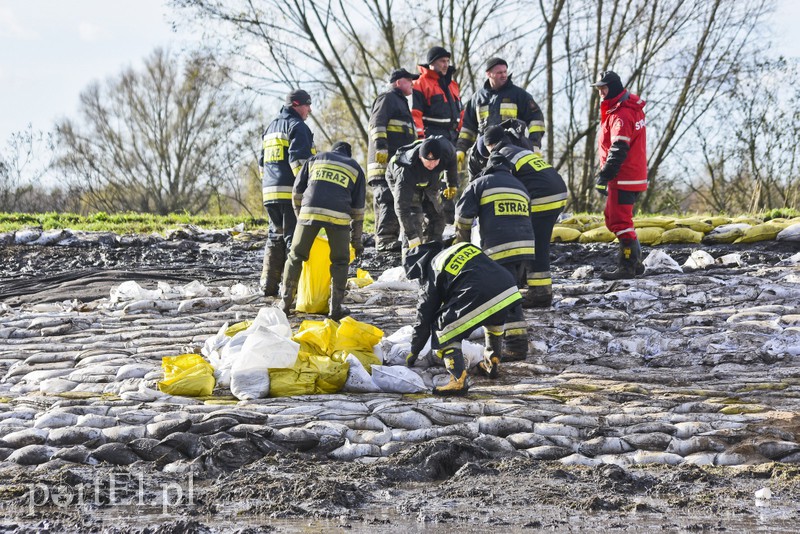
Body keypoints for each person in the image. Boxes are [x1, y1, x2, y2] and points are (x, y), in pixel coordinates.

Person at [404, 241, 523, 395]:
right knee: (494, 319)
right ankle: (492, 361)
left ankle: (458, 380)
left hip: (478, 292)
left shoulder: (434, 266)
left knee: (443, 327)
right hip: (508, 287)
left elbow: (424, 315)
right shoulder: (460, 247)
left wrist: (414, 350)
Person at [477, 123, 568, 308]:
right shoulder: (518, 149)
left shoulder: (499, 155)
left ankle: (540, 293)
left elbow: (497, 182)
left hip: (542, 196)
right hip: (558, 192)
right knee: (537, 241)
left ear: (489, 145)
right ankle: (533, 284)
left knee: (533, 243)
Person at [454, 152, 534, 361]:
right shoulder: (520, 185)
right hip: (526, 248)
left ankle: (515, 348)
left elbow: (462, 219)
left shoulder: (480, 184)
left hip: (500, 249)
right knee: (513, 294)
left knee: (502, 298)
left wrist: (461, 249)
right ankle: (517, 344)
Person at [279, 142, 366, 321]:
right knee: (340, 261)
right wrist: (356, 242)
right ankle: (335, 308)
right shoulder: (355, 167)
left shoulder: (315, 159)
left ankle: (285, 304)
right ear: (348, 155)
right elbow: (358, 211)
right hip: (338, 216)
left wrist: (300, 218)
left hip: (309, 211)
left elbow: (296, 192)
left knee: (295, 256)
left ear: (333, 150)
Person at [591, 70, 648, 279]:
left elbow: (619, 148)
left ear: (613, 88)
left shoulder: (620, 114)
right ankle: (636, 262)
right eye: (598, 89)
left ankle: (628, 265)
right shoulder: (629, 108)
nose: (600, 93)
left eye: (603, 88)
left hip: (623, 177)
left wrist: (604, 176)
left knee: (619, 222)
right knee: (614, 218)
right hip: (633, 175)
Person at [259, 89, 316, 297]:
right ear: (296, 105)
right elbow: (299, 163)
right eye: (307, 105)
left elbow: (261, 163)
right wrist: (308, 191)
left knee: (275, 238)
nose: (309, 109)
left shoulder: (271, 126)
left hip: (269, 193)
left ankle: (268, 286)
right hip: (290, 193)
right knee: (295, 240)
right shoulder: (298, 127)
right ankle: (294, 289)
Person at [367, 68, 419, 252]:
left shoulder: (400, 103)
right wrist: (381, 145)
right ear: (398, 82)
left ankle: (390, 238)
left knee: (396, 199)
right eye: (409, 80)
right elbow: (377, 122)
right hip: (384, 163)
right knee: (386, 199)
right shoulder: (387, 98)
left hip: (396, 165)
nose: (412, 83)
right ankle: (384, 239)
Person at [456, 57, 545, 164]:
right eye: (499, 72)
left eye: (505, 72)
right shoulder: (477, 99)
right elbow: (468, 128)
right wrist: (461, 149)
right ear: (488, 74)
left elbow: (536, 120)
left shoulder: (519, 95)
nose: (503, 75)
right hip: (484, 154)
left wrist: (534, 145)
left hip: (512, 153)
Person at [385, 137, 458, 252]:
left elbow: (453, 160)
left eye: (435, 161)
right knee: (414, 218)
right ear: (420, 156)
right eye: (428, 160)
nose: (432, 164)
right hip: (408, 180)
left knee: (438, 217)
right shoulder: (405, 171)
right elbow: (402, 209)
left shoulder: (446, 151)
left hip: (429, 180)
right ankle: (410, 257)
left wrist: (452, 183)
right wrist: (411, 236)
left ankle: (433, 252)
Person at [412, 46, 463, 144]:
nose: (446, 65)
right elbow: (415, 114)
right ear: (432, 63)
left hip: (454, 138)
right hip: (432, 137)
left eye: (448, 61)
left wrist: (464, 139)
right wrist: (420, 139)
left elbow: (461, 114)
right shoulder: (420, 83)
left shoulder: (453, 85)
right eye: (442, 61)